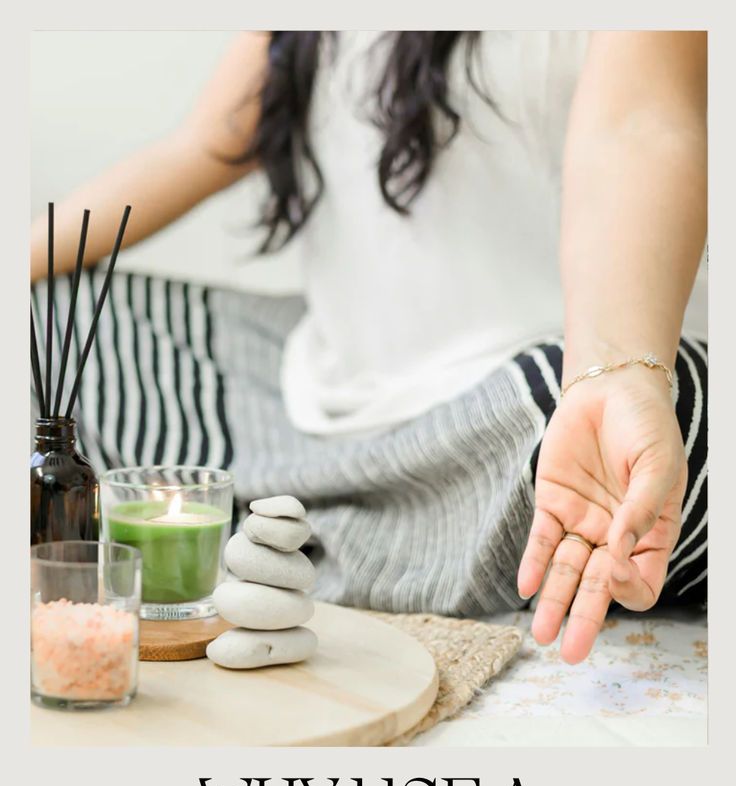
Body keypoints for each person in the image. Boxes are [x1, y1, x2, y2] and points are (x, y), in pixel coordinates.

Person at [30, 31, 707, 663]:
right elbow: (207, 144)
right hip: (302, 399)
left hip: (529, 412)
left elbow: (640, 125)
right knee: (45, 323)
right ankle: (379, 534)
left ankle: (316, 532)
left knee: (678, 427)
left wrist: (621, 374)